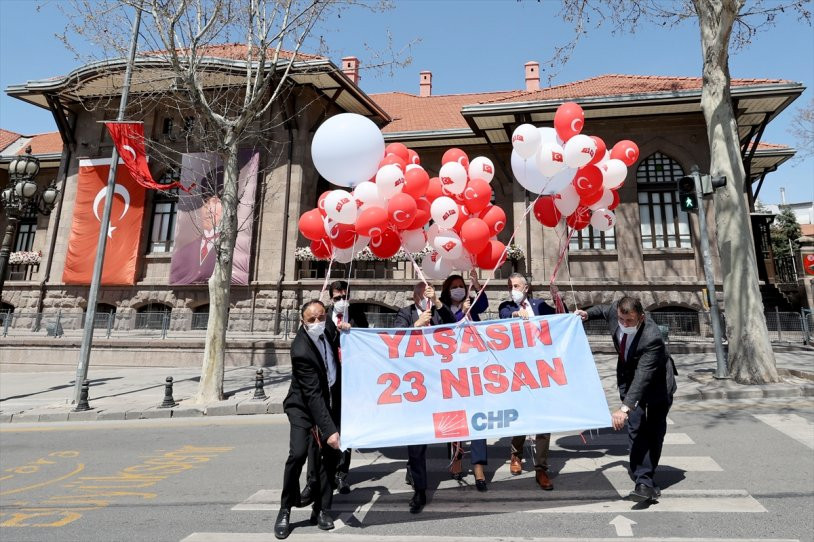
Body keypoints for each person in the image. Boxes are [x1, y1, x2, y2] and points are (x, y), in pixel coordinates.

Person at [576, 296, 677, 503]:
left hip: (657, 383)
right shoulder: (616, 311)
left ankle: (647, 476)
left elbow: (643, 376)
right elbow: (604, 309)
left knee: (655, 432)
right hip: (629, 379)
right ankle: (644, 481)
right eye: (621, 320)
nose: (624, 324)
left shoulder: (652, 337)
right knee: (636, 428)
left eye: (629, 321)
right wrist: (588, 314)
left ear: (641, 317)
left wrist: (624, 408)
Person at [274, 300, 341, 539]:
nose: (317, 323)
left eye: (321, 317)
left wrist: (347, 327)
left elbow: (338, 323)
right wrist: (329, 430)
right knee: (299, 453)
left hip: (330, 401)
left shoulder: (329, 328)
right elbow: (312, 395)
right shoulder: (300, 350)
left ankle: (321, 509)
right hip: (303, 407)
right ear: (302, 321)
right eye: (311, 319)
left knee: (329, 458)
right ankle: (285, 508)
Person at [300, 280, 368, 504]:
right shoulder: (320, 318)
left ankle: (341, 473)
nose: (341, 301)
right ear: (331, 299)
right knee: (318, 432)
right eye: (337, 297)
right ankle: (313, 480)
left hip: (348, 382)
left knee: (344, 428)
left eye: (344, 296)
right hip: (325, 384)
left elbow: (366, 341)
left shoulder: (357, 314)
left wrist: (353, 331)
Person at [393, 282, 456, 513]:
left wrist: (439, 303)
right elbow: (395, 340)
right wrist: (415, 326)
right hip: (415, 387)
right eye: (420, 293)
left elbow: (454, 326)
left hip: (439, 384)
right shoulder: (405, 314)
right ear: (414, 296)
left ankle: (456, 463)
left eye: (427, 293)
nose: (424, 297)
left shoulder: (438, 313)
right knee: (417, 440)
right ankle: (420, 490)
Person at [497, 272, 555, 491]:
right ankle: (516, 455)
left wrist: (559, 300)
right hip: (519, 372)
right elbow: (503, 318)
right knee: (520, 415)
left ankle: (541, 468)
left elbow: (561, 315)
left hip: (542, 371)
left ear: (527, 288)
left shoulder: (539, 305)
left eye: (517, 285)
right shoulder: (506, 306)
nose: (513, 289)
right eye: (511, 286)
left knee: (543, 421)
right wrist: (515, 316)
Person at [439, 270, 490, 491]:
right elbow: (447, 328)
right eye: (454, 286)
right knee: (455, 417)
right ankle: (456, 458)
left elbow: (484, 304)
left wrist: (476, 284)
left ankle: (478, 465)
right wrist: (462, 313)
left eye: (462, 285)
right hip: (451, 372)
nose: (459, 289)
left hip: (474, 369)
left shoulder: (472, 305)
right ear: (447, 291)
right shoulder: (440, 310)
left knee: (478, 418)